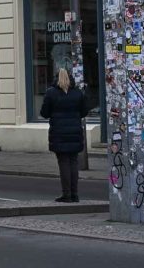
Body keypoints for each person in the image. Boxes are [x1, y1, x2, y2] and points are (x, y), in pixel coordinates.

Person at [40, 67, 92, 202]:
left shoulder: (51, 93)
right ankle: (75, 194)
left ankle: (66, 194)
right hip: (74, 131)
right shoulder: (77, 93)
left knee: (63, 162)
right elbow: (84, 111)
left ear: (56, 78)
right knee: (73, 162)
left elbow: (44, 113)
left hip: (59, 132)